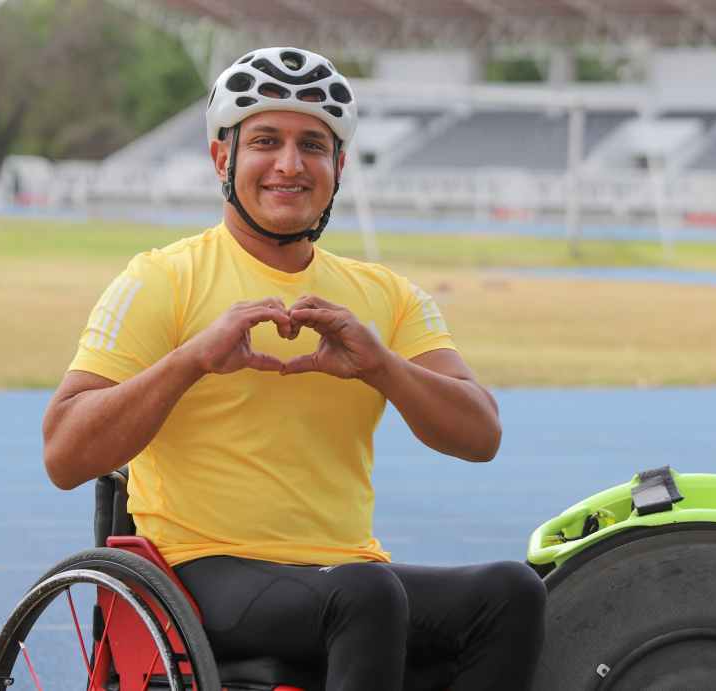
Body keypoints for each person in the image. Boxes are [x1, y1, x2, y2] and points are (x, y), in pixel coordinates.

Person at [41, 47, 546, 690]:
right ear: (223, 159)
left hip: (349, 576)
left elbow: (481, 435)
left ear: (338, 167)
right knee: (366, 595)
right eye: (265, 141)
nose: (289, 164)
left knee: (511, 592)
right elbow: (63, 453)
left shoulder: (387, 295)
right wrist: (193, 359)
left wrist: (382, 367)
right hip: (203, 573)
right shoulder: (161, 279)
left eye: (313, 144)